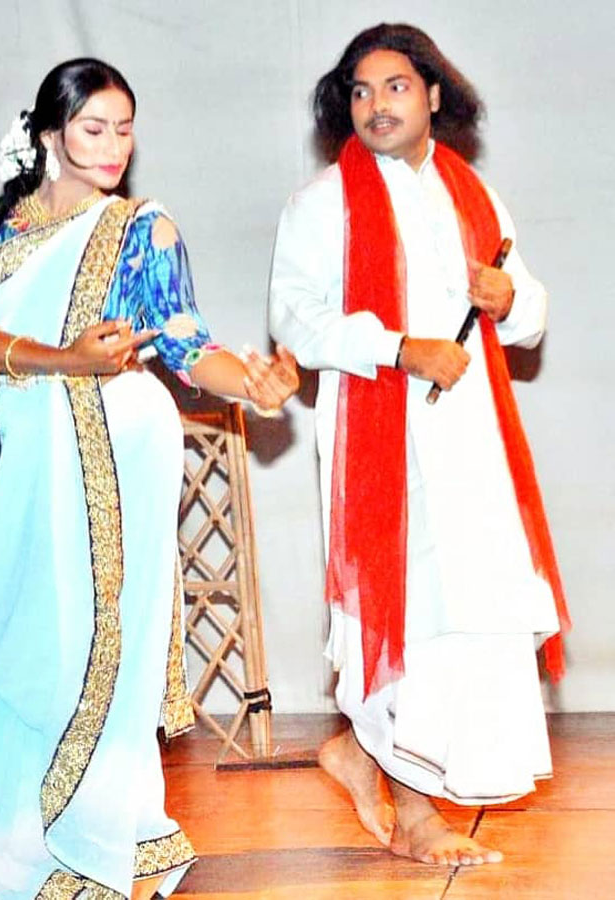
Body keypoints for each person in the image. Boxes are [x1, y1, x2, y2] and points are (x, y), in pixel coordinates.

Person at [0, 58, 298, 899]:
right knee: (13, 629)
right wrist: (65, 360)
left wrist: (251, 383)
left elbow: (185, 341)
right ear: (50, 134)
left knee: (95, 642)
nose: (114, 145)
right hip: (25, 458)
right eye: (95, 129)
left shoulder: (140, 229)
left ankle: (91, 832)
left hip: (119, 457)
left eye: (125, 129)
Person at [269, 23, 570, 866]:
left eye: (395, 87)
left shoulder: (475, 194)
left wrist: (509, 298)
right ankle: (414, 812)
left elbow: (527, 311)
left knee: (471, 617)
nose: (376, 105)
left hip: (473, 442)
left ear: (434, 95)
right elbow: (295, 319)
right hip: (380, 441)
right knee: (404, 618)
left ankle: (361, 754)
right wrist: (400, 348)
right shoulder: (322, 203)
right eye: (361, 92)